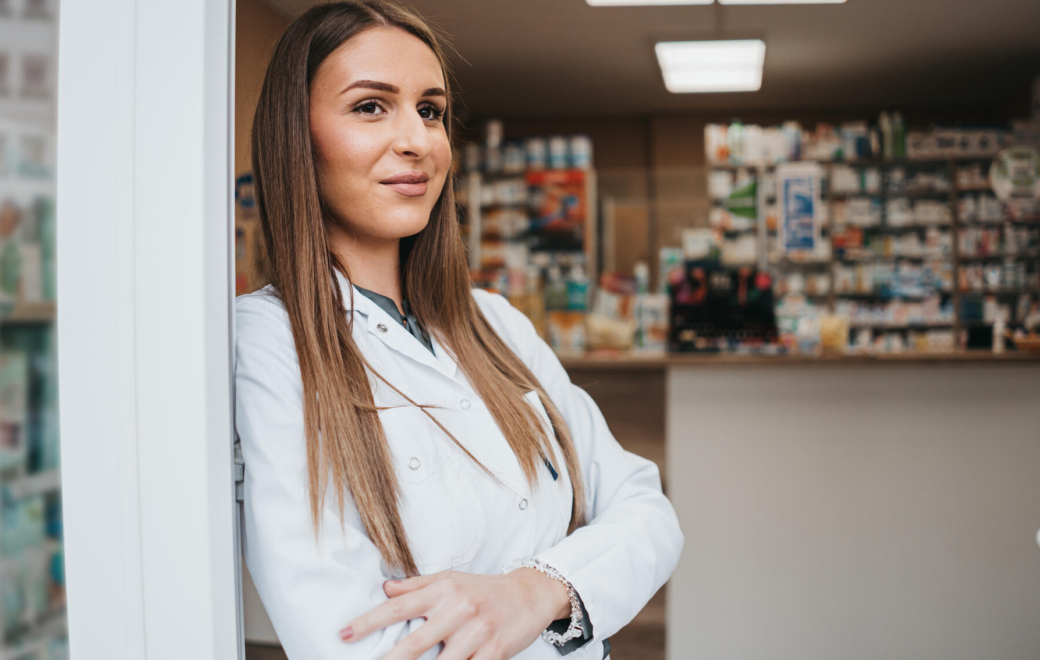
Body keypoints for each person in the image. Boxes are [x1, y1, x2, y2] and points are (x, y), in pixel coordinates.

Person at [233, 2, 684, 658]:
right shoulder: (269, 342)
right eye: (370, 106)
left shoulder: (491, 321)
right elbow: (351, 639)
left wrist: (535, 591)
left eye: (430, 110)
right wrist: (570, 585)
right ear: (294, 136)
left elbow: (647, 512)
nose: (417, 139)